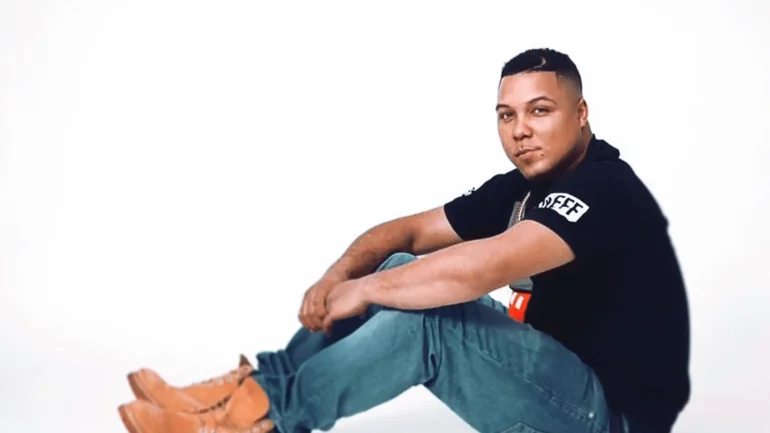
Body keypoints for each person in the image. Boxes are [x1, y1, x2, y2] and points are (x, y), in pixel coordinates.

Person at [117, 48, 691, 433]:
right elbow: (410, 233)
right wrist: (341, 275)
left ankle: (261, 417)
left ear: (581, 112)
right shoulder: (521, 185)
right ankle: (250, 392)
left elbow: (478, 269)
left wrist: (368, 291)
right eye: (506, 115)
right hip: (558, 376)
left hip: (608, 416)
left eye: (540, 111)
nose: (520, 130)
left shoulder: (605, 188)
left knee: (428, 316)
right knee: (396, 265)